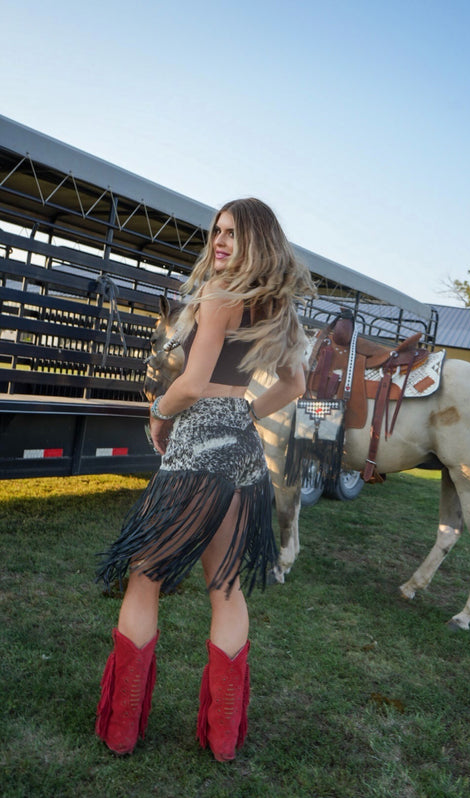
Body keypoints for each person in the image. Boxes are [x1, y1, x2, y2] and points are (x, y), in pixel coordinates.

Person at [94, 197, 316, 761]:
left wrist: (159, 413)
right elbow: (295, 386)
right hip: (243, 456)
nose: (219, 242)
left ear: (257, 241)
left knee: (144, 577)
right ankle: (222, 741)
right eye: (216, 231)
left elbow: (191, 383)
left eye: (233, 234)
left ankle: (121, 729)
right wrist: (244, 414)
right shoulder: (279, 308)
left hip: (195, 451)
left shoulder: (220, 295)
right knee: (226, 589)